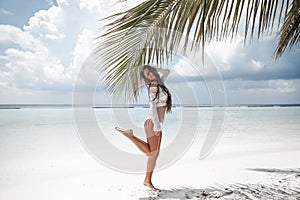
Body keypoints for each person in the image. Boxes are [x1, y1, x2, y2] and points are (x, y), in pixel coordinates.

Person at [115, 65, 172, 191]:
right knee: (152, 154)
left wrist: (153, 67)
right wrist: (157, 126)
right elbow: (152, 107)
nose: (150, 75)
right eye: (147, 75)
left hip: (155, 124)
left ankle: (147, 180)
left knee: (154, 155)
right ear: (146, 79)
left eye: (151, 72)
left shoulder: (160, 83)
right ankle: (129, 135)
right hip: (153, 124)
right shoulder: (153, 87)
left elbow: (167, 71)